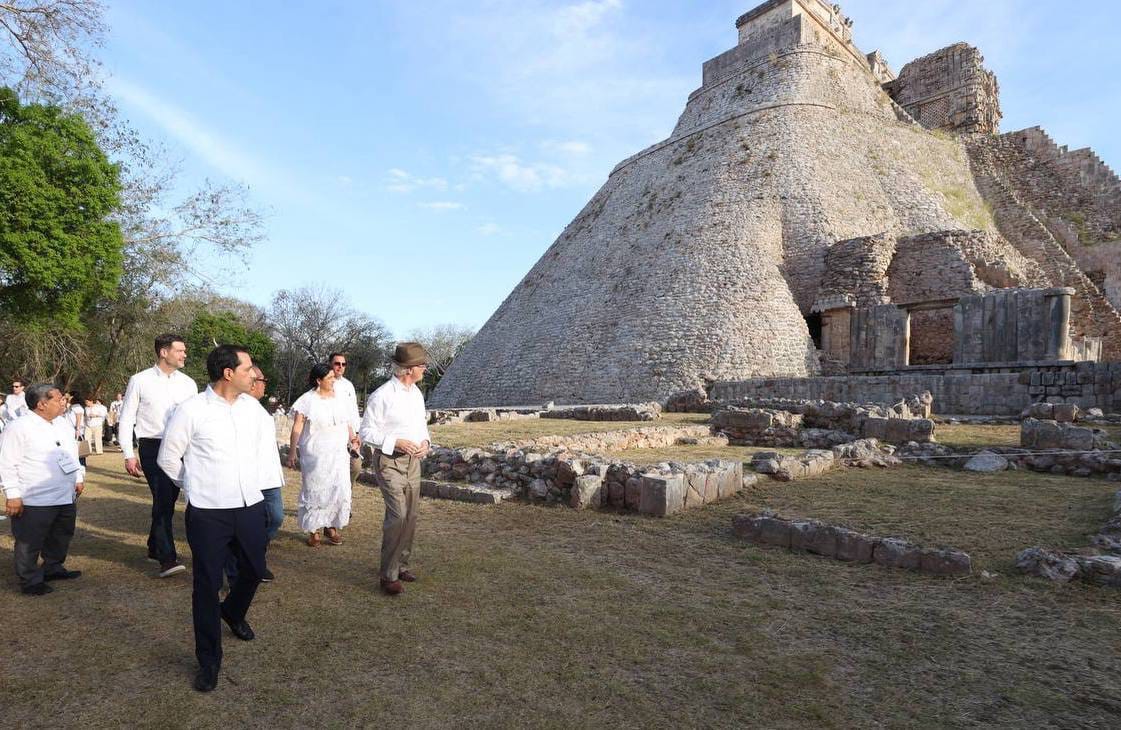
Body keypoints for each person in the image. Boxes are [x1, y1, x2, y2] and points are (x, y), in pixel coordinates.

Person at [157, 344, 282, 693]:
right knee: (207, 586)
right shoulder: (191, 410)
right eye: (248, 368)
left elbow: (262, 456)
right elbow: (169, 459)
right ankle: (209, 660)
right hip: (208, 511)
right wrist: (193, 487)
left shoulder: (254, 412)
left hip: (249, 506)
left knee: (256, 569)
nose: (254, 374)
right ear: (228, 373)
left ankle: (234, 611)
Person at [119, 333, 199, 578]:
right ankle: (167, 558)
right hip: (152, 446)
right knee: (163, 499)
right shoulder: (140, 380)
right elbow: (127, 418)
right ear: (164, 352)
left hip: (183, 447)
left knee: (170, 498)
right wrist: (128, 454)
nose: (184, 354)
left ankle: (154, 546)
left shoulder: (188, 383)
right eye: (180, 350)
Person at [359, 342, 431, 596]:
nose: (425, 369)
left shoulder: (416, 394)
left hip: (413, 463)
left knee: (411, 515)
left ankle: (401, 565)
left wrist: (425, 443)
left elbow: (421, 426)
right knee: (397, 515)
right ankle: (387, 575)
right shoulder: (382, 395)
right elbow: (365, 431)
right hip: (389, 462)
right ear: (409, 369)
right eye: (422, 366)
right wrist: (394, 442)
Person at [0, 383, 84, 595]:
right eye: (58, 399)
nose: (63, 402)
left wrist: (78, 477)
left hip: (65, 494)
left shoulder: (62, 424)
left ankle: (53, 567)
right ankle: (29, 580)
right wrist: (12, 495)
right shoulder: (18, 427)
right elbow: (7, 463)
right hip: (34, 497)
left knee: (61, 534)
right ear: (41, 404)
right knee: (30, 540)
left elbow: (71, 453)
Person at [287, 363, 356, 547]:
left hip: (338, 453)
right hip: (315, 453)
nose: (334, 380)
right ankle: (313, 530)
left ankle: (332, 527)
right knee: (315, 489)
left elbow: (347, 422)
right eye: (330, 378)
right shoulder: (306, 400)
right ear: (319, 380)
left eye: (334, 377)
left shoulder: (340, 399)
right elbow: (297, 427)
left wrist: (353, 438)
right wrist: (293, 451)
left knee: (337, 488)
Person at [328, 353, 363, 487]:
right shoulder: (324, 383)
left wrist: (357, 434)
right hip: (331, 433)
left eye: (343, 364)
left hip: (350, 435)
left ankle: (345, 497)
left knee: (355, 466)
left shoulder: (349, 385)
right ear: (331, 364)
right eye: (337, 363)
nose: (340, 367)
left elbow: (353, 410)